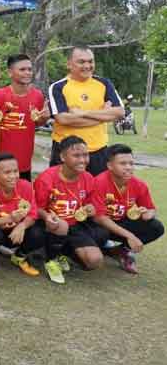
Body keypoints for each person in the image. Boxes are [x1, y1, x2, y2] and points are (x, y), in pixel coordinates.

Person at [34, 136, 109, 284]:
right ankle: (51, 260)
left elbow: (93, 205)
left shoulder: (88, 178)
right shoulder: (46, 179)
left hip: (75, 225)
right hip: (49, 225)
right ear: (62, 156)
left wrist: (90, 208)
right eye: (76, 155)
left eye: (85, 155)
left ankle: (62, 251)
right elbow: (36, 208)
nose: (83, 160)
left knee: (94, 261)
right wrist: (47, 216)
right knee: (61, 225)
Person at [48, 46, 124, 176]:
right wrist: (103, 116)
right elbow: (63, 119)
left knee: (97, 194)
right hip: (67, 154)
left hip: (98, 152)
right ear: (69, 64)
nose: (87, 66)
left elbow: (119, 112)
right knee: (63, 195)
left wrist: (82, 113)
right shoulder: (58, 87)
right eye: (81, 62)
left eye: (91, 61)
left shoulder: (104, 84)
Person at [94, 144, 164, 274]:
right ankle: (98, 248)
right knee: (99, 235)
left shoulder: (139, 185)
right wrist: (130, 236)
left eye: (131, 163)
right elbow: (100, 218)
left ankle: (121, 251)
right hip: (101, 225)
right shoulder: (99, 182)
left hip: (120, 223)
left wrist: (147, 214)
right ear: (109, 165)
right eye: (123, 163)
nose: (128, 167)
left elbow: (150, 208)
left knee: (156, 227)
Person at [0, 153, 42, 277]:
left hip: (16, 233)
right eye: (7, 172)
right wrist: (9, 218)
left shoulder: (25, 186)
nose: (13, 176)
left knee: (39, 232)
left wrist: (22, 226)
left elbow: (33, 214)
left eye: (15, 171)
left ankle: (19, 256)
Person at [0, 54, 49, 182]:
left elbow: (35, 123)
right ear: (10, 72)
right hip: (1, 161)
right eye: (22, 69)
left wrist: (44, 119)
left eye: (29, 69)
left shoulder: (38, 96)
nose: (27, 73)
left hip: (25, 162)